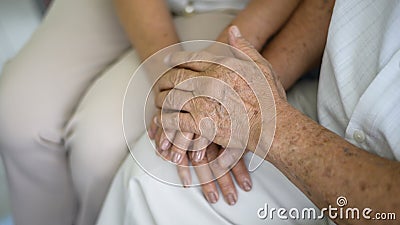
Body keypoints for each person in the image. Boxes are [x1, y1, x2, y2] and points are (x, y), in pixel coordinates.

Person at [0, 0, 326, 224]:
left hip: (243, 11)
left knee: (99, 146)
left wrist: (228, 65)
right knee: (16, 114)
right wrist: (171, 82)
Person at [152, 1, 400, 224]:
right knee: (153, 178)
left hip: (304, 138)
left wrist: (266, 121)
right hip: (327, 103)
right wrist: (238, 87)